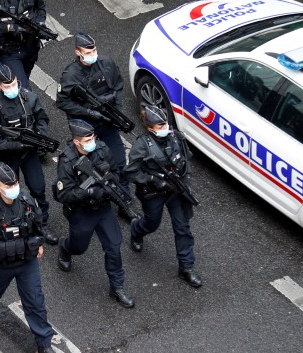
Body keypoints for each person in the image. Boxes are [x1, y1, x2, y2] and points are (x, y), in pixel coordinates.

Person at [0, 163, 65, 353]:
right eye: (8, 185)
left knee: (35, 302)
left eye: (15, 183)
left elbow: (38, 225)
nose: (14, 187)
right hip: (3, 264)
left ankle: (44, 347)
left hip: (27, 261)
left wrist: (38, 244)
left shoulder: (26, 201)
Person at [55, 119, 134, 308]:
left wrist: (109, 187)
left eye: (92, 137)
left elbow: (115, 170)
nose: (92, 141)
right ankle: (65, 249)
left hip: (103, 208)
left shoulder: (102, 149)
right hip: (82, 212)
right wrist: (88, 191)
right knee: (79, 247)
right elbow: (62, 194)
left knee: (114, 246)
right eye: (87, 138)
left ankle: (117, 287)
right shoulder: (67, 162)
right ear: (77, 142)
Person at [0, 64, 57, 244]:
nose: (11, 88)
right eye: (7, 86)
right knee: (8, 192)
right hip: (8, 155)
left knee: (38, 187)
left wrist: (39, 137)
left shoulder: (28, 97)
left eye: (13, 83)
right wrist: (10, 144)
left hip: (29, 152)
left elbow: (42, 118)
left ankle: (41, 223)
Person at [124, 104, 202, 288]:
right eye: (159, 126)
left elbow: (186, 159)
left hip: (175, 189)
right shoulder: (142, 146)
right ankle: (137, 230)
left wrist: (186, 182)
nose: (164, 128)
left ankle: (186, 267)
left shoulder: (176, 137)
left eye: (165, 124)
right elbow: (130, 172)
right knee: (152, 224)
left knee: (182, 228)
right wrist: (151, 179)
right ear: (150, 128)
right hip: (153, 192)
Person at [56, 32, 129, 197]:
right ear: (78, 53)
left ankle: (123, 196)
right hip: (86, 129)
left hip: (109, 122)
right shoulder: (70, 75)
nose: (92, 55)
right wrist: (89, 112)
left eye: (94, 50)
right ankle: (98, 196)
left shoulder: (106, 63)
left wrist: (117, 112)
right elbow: (62, 102)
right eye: (88, 53)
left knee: (119, 163)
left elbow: (118, 86)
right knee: (91, 169)